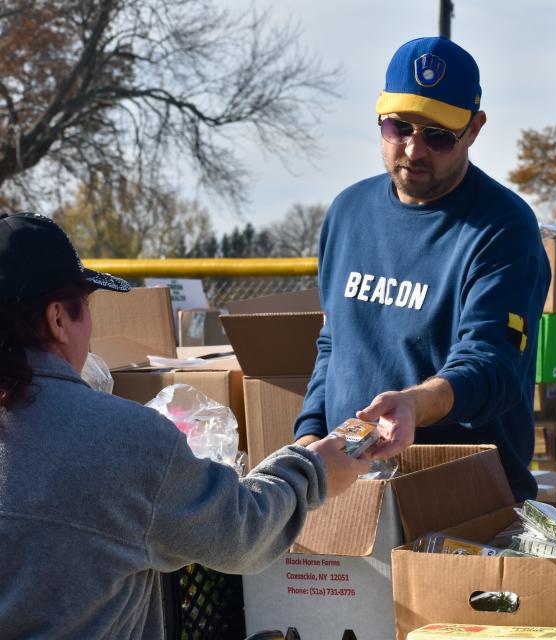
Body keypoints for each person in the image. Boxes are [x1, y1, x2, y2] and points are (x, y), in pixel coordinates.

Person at [0, 212, 369, 638]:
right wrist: (313, 469)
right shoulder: (122, 439)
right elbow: (242, 536)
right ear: (58, 320)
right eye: (86, 307)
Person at [293, 36, 551, 500]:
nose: (413, 150)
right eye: (399, 127)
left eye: (437, 135)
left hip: (463, 494)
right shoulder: (348, 212)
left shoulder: (503, 227)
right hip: (352, 487)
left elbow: (492, 363)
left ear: (474, 129)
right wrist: (310, 436)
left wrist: (414, 404)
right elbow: (334, 343)